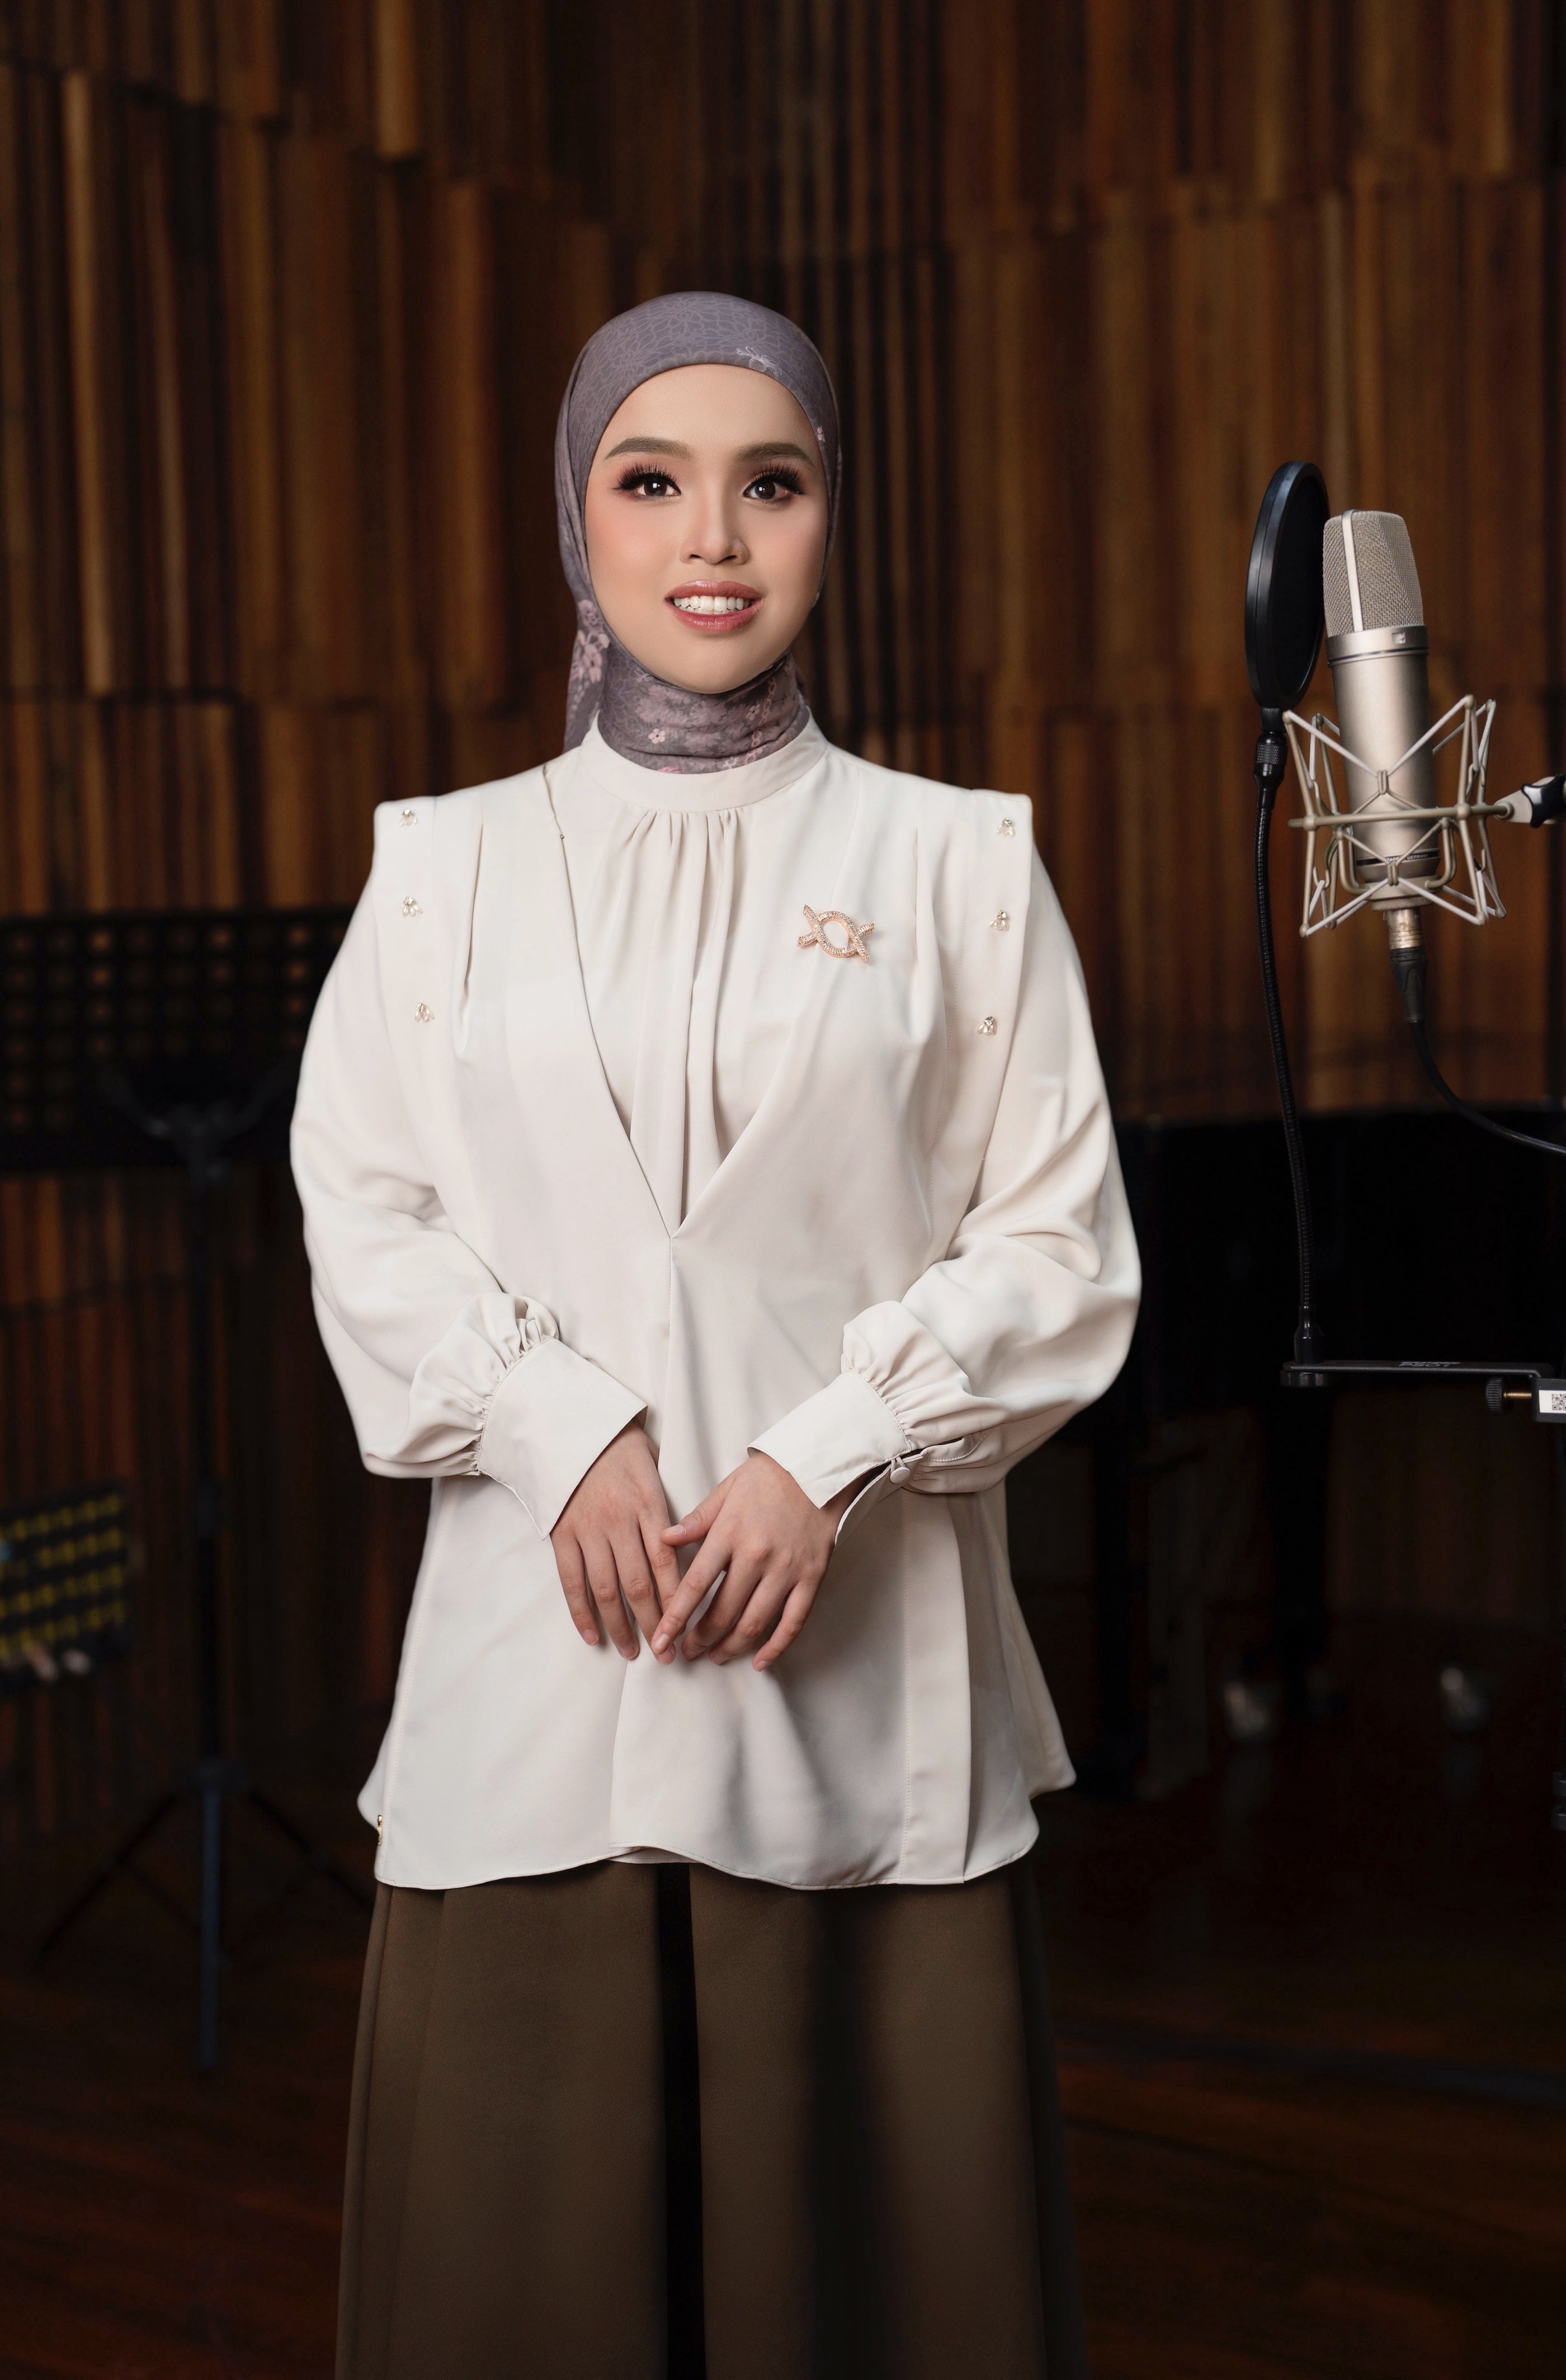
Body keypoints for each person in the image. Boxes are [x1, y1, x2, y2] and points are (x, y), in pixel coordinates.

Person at [293, 291, 1139, 2380]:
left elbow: (1058, 1243)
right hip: (536, 1676)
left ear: (832, 514)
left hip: (859, 1687)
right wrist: (557, 1426)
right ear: (573, 516)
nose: (714, 538)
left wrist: (824, 1455)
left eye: (773, 484)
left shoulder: (959, 861)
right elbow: (367, 1211)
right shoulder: (439, 869)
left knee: (870, 2292)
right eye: (651, 480)